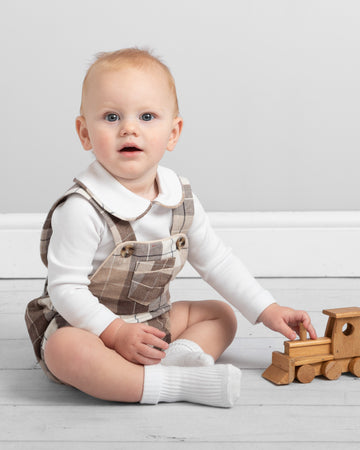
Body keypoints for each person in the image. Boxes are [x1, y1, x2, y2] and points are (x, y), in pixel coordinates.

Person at [25, 48, 317, 408]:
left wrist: (267, 309)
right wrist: (115, 333)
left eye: (147, 116)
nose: (129, 128)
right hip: (89, 328)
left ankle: (183, 357)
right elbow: (65, 289)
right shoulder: (82, 208)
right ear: (84, 133)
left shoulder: (180, 198)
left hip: (152, 321)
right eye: (111, 116)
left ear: (173, 132)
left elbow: (218, 262)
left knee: (220, 315)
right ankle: (170, 384)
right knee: (64, 350)